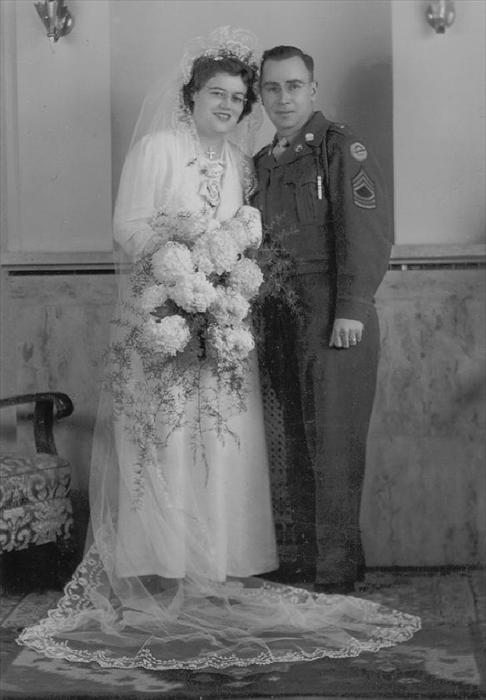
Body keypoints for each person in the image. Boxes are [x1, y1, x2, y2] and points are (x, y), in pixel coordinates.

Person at [18, 28, 418, 670]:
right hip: (179, 314)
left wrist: (346, 307)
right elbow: (132, 228)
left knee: (282, 440)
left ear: (308, 91)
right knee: (189, 439)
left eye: (241, 95)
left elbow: (355, 233)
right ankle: (171, 562)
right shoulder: (180, 150)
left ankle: (298, 568)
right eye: (224, 93)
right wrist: (187, 269)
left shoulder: (282, 156)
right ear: (192, 95)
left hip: (250, 319)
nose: (234, 105)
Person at [253, 45, 392, 592]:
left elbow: (368, 232)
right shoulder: (266, 160)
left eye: (293, 86)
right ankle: (316, 562)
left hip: (333, 311)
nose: (283, 98)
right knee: (296, 440)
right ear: (262, 95)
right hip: (282, 312)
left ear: (313, 88)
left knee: (334, 445)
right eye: (271, 88)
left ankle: (333, 576)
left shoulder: (339, 147)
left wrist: (352, 310)